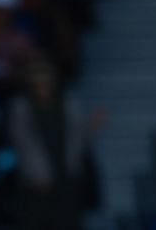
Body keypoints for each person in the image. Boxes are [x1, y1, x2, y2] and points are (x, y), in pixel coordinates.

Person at [6, 56, 95, 230]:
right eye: (37, 75)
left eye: (45, 74)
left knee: (67, 221)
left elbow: (77, 135)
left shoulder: (67, 102)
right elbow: (23, 142)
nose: (41, 79)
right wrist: (39, 174)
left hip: (66, 173)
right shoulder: (21, 105)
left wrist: (91, 128)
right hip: (36, 180)